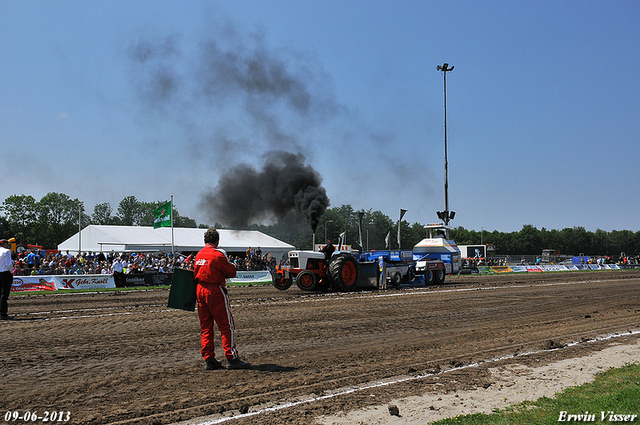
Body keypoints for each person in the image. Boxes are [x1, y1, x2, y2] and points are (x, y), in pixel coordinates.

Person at [194, 228, 251, 371]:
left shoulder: (199, 254)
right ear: (217, 241)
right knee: (226, 325)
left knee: (205, 327)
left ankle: (209, 359)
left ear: (205, 240)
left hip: (200, 290)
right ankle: (231, 358)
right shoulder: (218, 254)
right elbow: (231, 272)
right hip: (215, 290)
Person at [0, 239, 15, 320]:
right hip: (5, 273)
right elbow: (8, 264)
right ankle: (3, 313)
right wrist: (11, 271)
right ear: (4, 243)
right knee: (4, 294)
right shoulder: (7, 251)